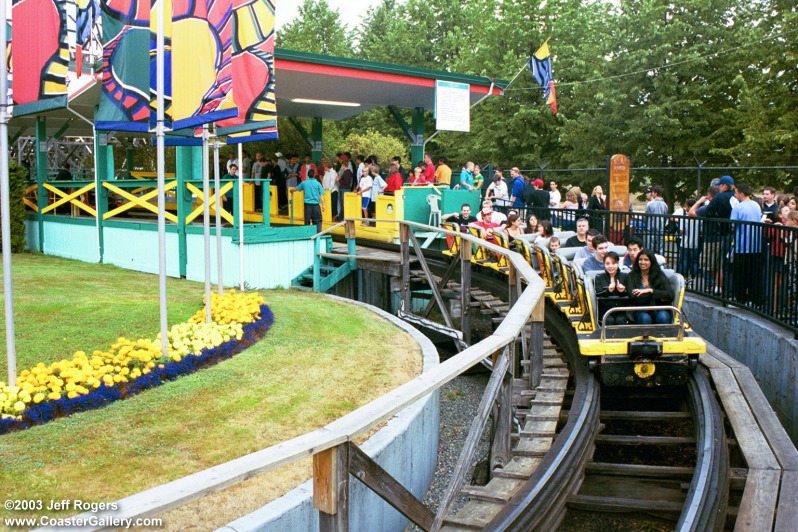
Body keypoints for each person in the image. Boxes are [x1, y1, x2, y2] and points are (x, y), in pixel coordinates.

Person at [690, 176, 735, 294]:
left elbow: (691, 213)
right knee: (721, 265)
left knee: (708, 265)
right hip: (727, 236)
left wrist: (699, 201)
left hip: (712, 239)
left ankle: (717, 286)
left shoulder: (717, 200)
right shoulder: (734, 197)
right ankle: (718, 287)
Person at [730, 183, 763, 305]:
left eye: (736, 193)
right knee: (754, 275)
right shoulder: (756, 205)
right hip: (756, 246)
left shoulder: (738, 207)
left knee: (740, 276)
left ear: (741, 194)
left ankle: (740, 299)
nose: (735, 195)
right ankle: (754, 300)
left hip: (742, 246)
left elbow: (732, 226)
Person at [627, 249, 674, 324]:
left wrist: (651, 291)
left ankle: (663, 335)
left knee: (663, 317)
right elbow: (633, 296)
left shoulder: (659, 275)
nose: (642, 262)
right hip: (640, 309)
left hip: (659, 308)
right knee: (645, 318)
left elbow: (670, 295)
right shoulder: (631, 276)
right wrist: (657, 295)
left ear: (651, 262)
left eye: (646, 260)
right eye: (640, 259)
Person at [595, 251, 630, 325]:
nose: (610, 266)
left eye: (613, 263)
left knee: (620, 320)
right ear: (604, 264)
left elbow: (630, 293)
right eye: (607, 264)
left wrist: (623, 291)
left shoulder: (625, 276)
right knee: (609, 320)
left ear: (618, 263)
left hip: (621, 310)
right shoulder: (599, 277)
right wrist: (608, 291)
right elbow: (598, 294)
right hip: (605, 309)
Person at [644, 185, 668, 254]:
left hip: (650, 229)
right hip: (661, 229)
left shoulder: (650, 204)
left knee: (649, 249)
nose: (652, 193)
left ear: (655, 193)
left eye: (653, 192)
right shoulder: (665, 205)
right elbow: (665, 217)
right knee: (660, 249)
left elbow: (646, 216)